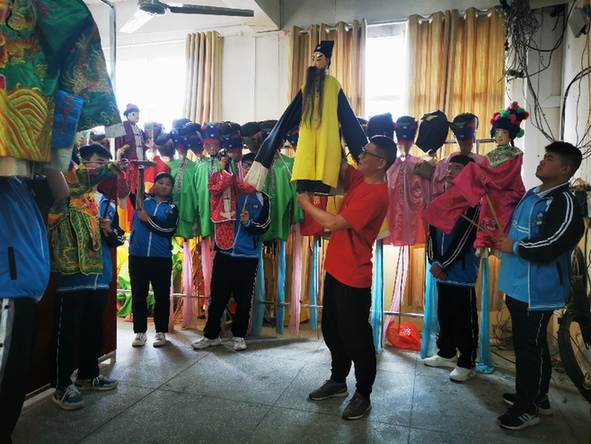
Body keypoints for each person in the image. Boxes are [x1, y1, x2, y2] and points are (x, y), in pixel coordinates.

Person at [297, 135, 396, 420]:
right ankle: (338, 380)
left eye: (367, 154)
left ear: (381, 163)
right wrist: (327, 128)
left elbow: (334, 222)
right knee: (331, 330)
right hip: (336, 269)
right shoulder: (360, 179)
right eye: (362, 151)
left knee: (356, 339)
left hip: (354, 275)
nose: (360, 156)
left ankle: (363, 394)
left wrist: (306, 204)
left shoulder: (376, 194)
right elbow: (340, 164)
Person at [495, 141, 584, 430]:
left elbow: (553, 243)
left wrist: (513, 247)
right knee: (532, 344)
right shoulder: (534, 194)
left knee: (528, 348)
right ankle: (539, 397)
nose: (542, 161)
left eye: (550, 158)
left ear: (565, 169)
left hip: (538, 289)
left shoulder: (564, 202)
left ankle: (527, 409)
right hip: (518, 284)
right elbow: (517, 230)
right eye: (544, 156)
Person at [49, 144, 124, 410]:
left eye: (105, 162)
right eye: (96, 162)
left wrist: (109, 231)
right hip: (72, 278)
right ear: (82, 164)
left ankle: (88, 375)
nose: (100, 167)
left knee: (94, 331)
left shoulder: (105, 203)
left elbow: (118, 240)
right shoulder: (65, 193)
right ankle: (61, 385)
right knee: (66, 333)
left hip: (99, 278)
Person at [245, 41, 367, 195]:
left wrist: (363, 155)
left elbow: (349, 121)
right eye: (313, 58)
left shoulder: (333, 85)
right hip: (307, 143)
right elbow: (288, 118)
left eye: (319, 58)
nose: (315, 62)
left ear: (327, 61)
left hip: (327, 141)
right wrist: (269, 148)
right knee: (305, 188)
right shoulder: (305, 88)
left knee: (328, 179)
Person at [0, 170, 68, 441]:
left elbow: (61, 192)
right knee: (7, 379)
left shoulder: (19, 179)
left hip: (24, 292)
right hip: (8, 290)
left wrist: (50, 157)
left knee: (15, 378)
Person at [192, 153, 270, 351]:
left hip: (248, 256)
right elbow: (213, 197)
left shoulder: (263, 198)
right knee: (218, 296)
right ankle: (211, 335)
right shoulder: (228, 190)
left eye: (253, 167)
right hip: (224, 253)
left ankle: (239, 335)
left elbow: (264, 226)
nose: (248, 169)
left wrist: (249, 223)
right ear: (240, 167)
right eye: (246, 165)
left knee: (244, 299)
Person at [423, 155, 480, 382]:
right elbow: (431, 235)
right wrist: (434, 261)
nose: (450, 172)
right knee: (444, 315)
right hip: (441, 271)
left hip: (461, 272)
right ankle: (446, 353)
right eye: (449, 168)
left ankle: (467, 362)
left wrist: (443, 264)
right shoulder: (441, 201)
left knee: (463, 318)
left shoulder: (473, 204)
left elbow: (464, 239)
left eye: (457, 168)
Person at [129, 172, 179, 348]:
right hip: (138, 255)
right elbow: (127, 187)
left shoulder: (172, 208)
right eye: (161, 182)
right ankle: (140, 332)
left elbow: (168, 230)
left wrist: (148, 220)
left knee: (162, 296)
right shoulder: (141, 200)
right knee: (138, 294)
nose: (164, 186)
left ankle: (160, 332)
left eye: (168, 184)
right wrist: (136, 169)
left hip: (161, 258)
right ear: (154, 184)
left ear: (171, 188)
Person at [431, 113, 484, 199]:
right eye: (461, 140)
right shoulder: (444, 164)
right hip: (449, 203)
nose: (464, 143)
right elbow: (437, 193)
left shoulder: (482, 162)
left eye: (467, 140)